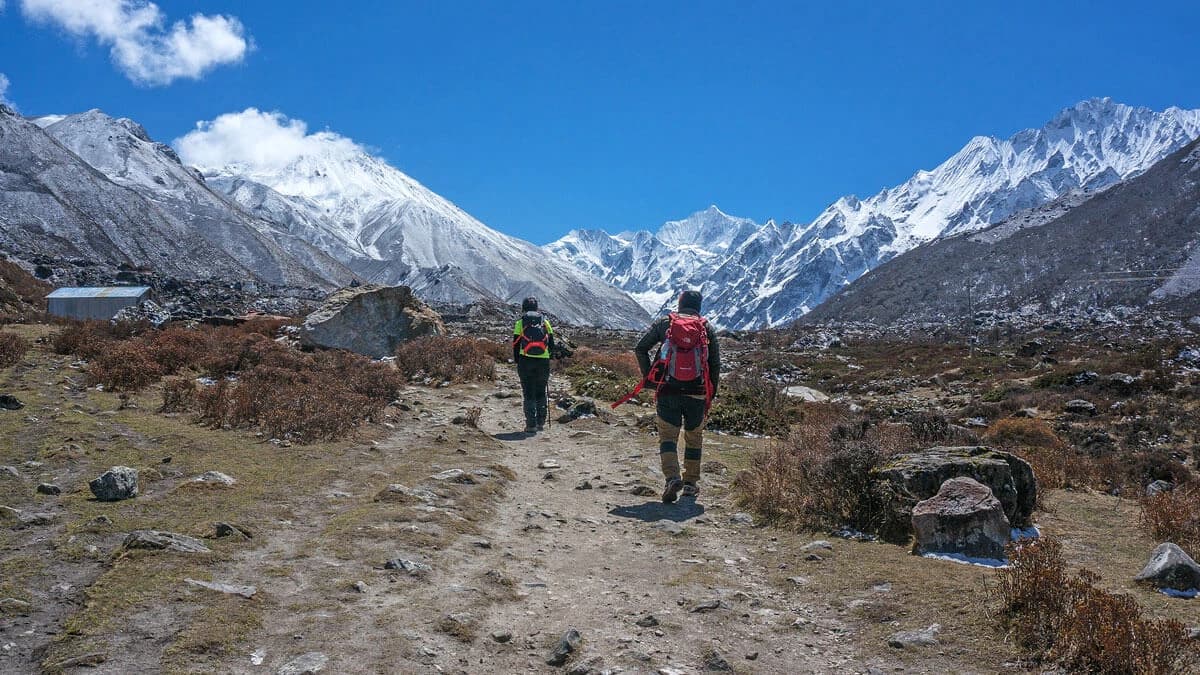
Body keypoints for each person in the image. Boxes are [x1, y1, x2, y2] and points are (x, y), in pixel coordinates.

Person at [634, 289, 720, 503]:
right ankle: (690, 484)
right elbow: (715, 364)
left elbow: (640, 348)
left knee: (668, 437)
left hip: (667, 390)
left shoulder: (665, 323)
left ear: (680, 303)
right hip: (697, 392)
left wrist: (650, 379)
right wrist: (711, 392)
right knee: (694, 438)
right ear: (699, 306)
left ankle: (672, 478)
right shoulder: (706, 327)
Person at [513, 296, 555, 433]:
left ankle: (531, 425)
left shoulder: (520, 322)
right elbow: (552, 342)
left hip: (525, 360)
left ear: (523, 308)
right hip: (543, 361)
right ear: (537, 308)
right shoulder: (545, 322)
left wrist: (517, 360)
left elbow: (515, 344)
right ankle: (541, 422)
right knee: (541, 392)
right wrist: (550, 356)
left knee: (528, 392)